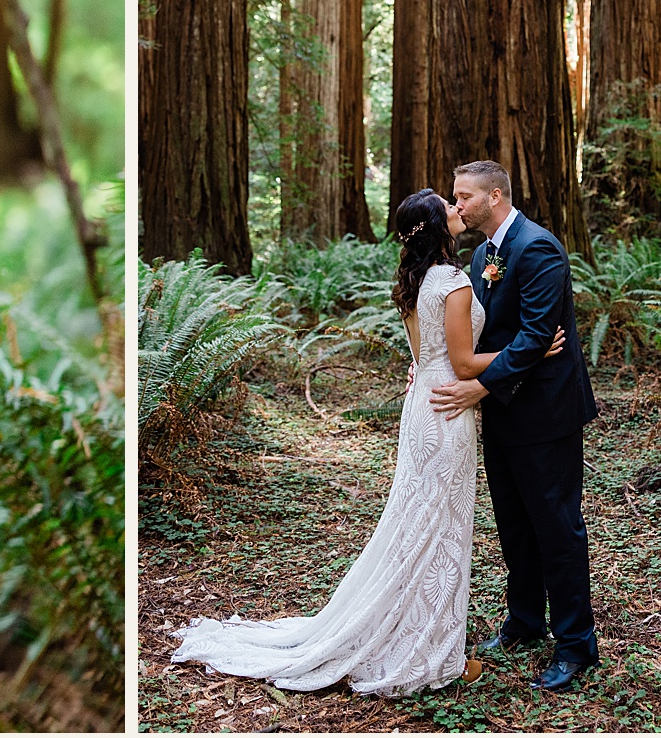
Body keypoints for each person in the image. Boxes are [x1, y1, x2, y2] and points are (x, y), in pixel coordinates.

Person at [171, 188, 564, 696]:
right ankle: (431, 653)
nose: (456, 208)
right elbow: (464, 364)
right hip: (448, 414)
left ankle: (414, 634)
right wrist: (528, 351)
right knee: (439, 531)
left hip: (424, 407)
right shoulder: (452, 280)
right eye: (448, 205)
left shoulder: (415, 278)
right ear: (435, 225)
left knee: (417, 524)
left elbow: (426, 357)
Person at [427, 159, 599, 691]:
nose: (456, 207)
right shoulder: (483, 254)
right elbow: (486, 336)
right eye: (455, 198)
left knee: (557, 527)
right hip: (503, 413)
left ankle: (575, 646)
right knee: (514, 525)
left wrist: (481, 385)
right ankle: (524, 621)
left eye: (463, 197)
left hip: (546, 413)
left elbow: (536, 335)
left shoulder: (539, 247)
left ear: (495, 196)